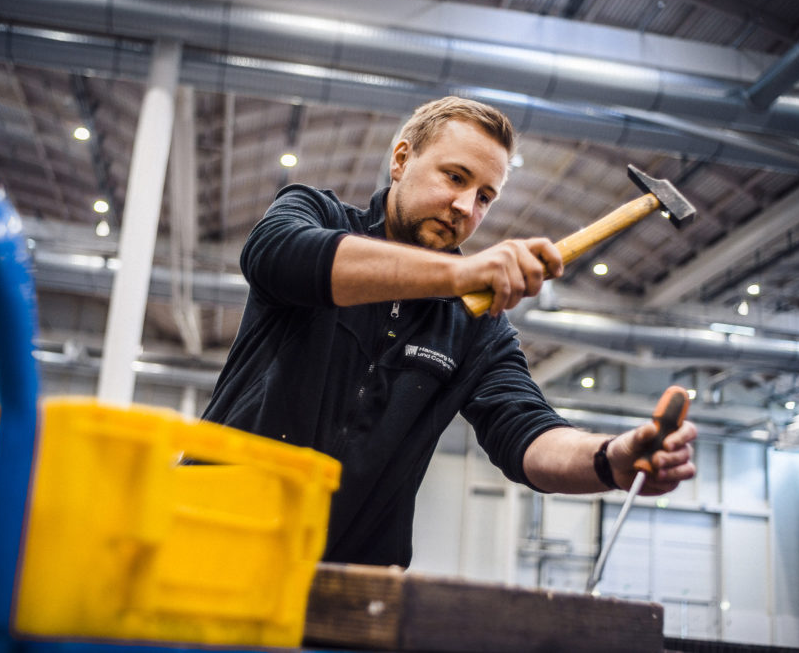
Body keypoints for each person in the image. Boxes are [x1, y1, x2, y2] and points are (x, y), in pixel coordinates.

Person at [202, 96, 697, 568]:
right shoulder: (313, 213)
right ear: (401, 160)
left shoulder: (476, 324)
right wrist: (460, 274)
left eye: (485, 196)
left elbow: (526, 432)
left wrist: (611, 459)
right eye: (455, 176)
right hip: (209, 539)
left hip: (350, 584)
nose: (466, 206)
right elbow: (283, 255)